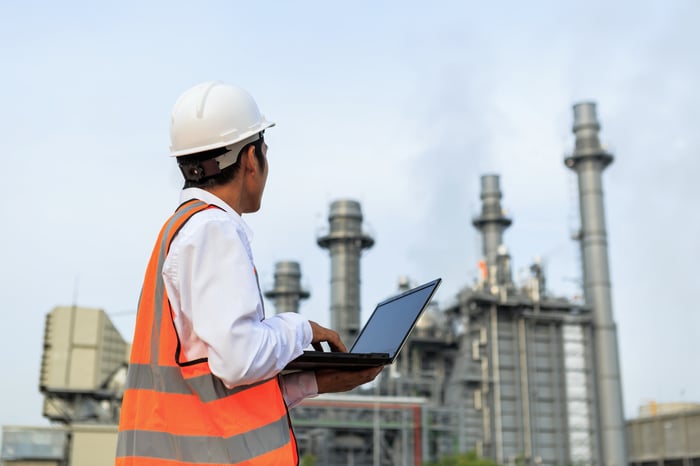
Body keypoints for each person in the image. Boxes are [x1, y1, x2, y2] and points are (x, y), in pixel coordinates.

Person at [115, 81, 383, 465]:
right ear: (251, 159)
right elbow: (239, 360)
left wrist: (315, 381)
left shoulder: (181, 231)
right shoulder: (214, 230)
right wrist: (301, 328)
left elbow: (216, 390)